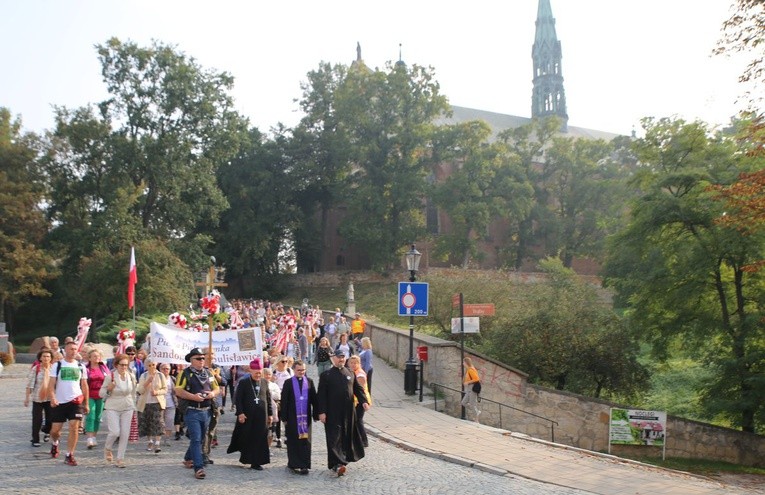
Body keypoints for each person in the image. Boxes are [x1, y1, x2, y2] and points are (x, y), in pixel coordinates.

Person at [317, 350, 369, 477]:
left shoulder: (350, 373)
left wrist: (363, 401)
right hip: (332, 412)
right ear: (333, 359)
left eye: (342, 357)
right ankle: (337, 463)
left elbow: (358, 389)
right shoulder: (326, 375)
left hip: (348, 412)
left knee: (345, 436)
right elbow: (321, 395)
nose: (341, 359)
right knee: (334, 437)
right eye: (338, 357)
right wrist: (321, 412)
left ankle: (342, 460)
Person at [175, 348, 220, 480]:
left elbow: (217, 388)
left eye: (203, 358)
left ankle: (188, 457)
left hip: (206, 411)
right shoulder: (185, 373)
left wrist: (212, 394)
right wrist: (193, 397)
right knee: (196, 438)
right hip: (192, 410)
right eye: (198, 358)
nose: (202, 361)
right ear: (191, 360)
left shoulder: (208, 372)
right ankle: (198, 467)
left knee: (200, 439)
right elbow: (178, 390)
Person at [48, 340, 90, 466]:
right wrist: (53, 397)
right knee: (55, 431)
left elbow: (84, 385)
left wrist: (86, 403)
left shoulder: (80, 367)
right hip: (60, 402)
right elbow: (51, 384)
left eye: (75, 349)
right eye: (71, 349)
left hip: (75, 401)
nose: (73, 351)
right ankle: (55, 443)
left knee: (74, 427)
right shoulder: (58, 365)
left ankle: (69, 454)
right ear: (65, 350)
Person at [227, 359, 273, 471]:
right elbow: (238, 399)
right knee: (248, 437)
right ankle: (248, 458)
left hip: (262, 416)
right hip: (248, 416)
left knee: (260, 437)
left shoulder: (264, 382)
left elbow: (268, 399)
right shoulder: (244, 382)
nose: (258, 375)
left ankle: (257, 462)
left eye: (260, 372)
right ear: (251, 371)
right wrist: (240, 413)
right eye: (256, 372)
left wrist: (270, 414)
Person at [280, 360, 319, 474]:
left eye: (303, 370)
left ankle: (304, 465)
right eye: (299, 370)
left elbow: (314, 400)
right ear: (293, 370)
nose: (301, 372)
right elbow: (284, 401)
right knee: (293, 440)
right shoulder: (288, 383)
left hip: (306, 417)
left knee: (305, 441)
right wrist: (284, 417)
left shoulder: (310, 382)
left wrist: (316, 414)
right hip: (292, 417)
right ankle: (293, 463)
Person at [101, 353, 138, 468]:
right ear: (116, 365)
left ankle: (120, 458)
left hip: (127, 406)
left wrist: (134, 404)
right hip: (113, 406)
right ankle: (108, 448)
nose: (124, 367)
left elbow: (134, 392)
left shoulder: (131, 376)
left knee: (124, 433)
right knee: (115, 432)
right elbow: (101, 394)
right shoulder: (110, 376)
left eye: (126, 365)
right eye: (122, 365)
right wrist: (109, 389)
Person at [136, 358, 168, 453]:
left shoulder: (161, 375)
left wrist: (157, 392)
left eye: (153, 365)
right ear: (146, 366)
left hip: (157, 403)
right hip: (145, 403)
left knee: (158, 423)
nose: (152, 367)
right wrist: (147, 382)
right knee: (147, 423)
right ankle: (150, 441)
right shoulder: (143, 375)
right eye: (149, 365)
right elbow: (140, 390)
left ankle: (157, 443)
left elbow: (165, 389)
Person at [25, 348, 53, 447]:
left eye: (48, 356)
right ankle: (35, 439)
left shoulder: (53, 368)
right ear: (40, 358)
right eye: (44, 356)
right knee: (37, 419)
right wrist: (27, 398)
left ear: (51, 358)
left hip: (50, 397)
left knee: (50, 419)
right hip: (37, 397)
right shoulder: (36, 368)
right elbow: (30, 384)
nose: (46, 358)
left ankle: (46, 431)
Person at [84, 348, 110, 450]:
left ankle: (94, 436)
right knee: (91, 414)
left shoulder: (103, 367)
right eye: (94, 356)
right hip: (90, 394)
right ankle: (89, 437)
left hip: (101, 394)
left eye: (98, 356)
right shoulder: (86, 368)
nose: (97, 358)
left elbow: (108, 379)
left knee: (98, 416)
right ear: (89, 358)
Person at [348, 355, 371, 448]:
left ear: (359, 364)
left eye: (355, 363)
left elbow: (359, 390)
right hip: (355, 401)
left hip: (361, 402)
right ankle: (357, 440)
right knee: (355, 421)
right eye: (351, 363)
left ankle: (364, 441)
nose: (353, 365)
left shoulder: (360, 374)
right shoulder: (352, 372)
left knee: (358, 421)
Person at [159, 363, 177, 446]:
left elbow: (176, 390)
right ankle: (157, 439)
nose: (166, 370)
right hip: (159, 403)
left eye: (167, 369)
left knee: (169, 421)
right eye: (163, 368)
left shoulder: (172, 379)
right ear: (160, 369)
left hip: (171, 403)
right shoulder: (157, 378)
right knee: (160, 422)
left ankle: (167, 438)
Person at [461, 356, 481, 423]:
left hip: (472, 388)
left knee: (472, 404)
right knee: (463, 402)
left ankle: (476, 419)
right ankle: (476, 411)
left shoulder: (471, 369)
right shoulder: (468, 369)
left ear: (466, 362)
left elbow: (477, 379)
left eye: (463, 362)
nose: (462, 363)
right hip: (468, 389)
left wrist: (467, 382)